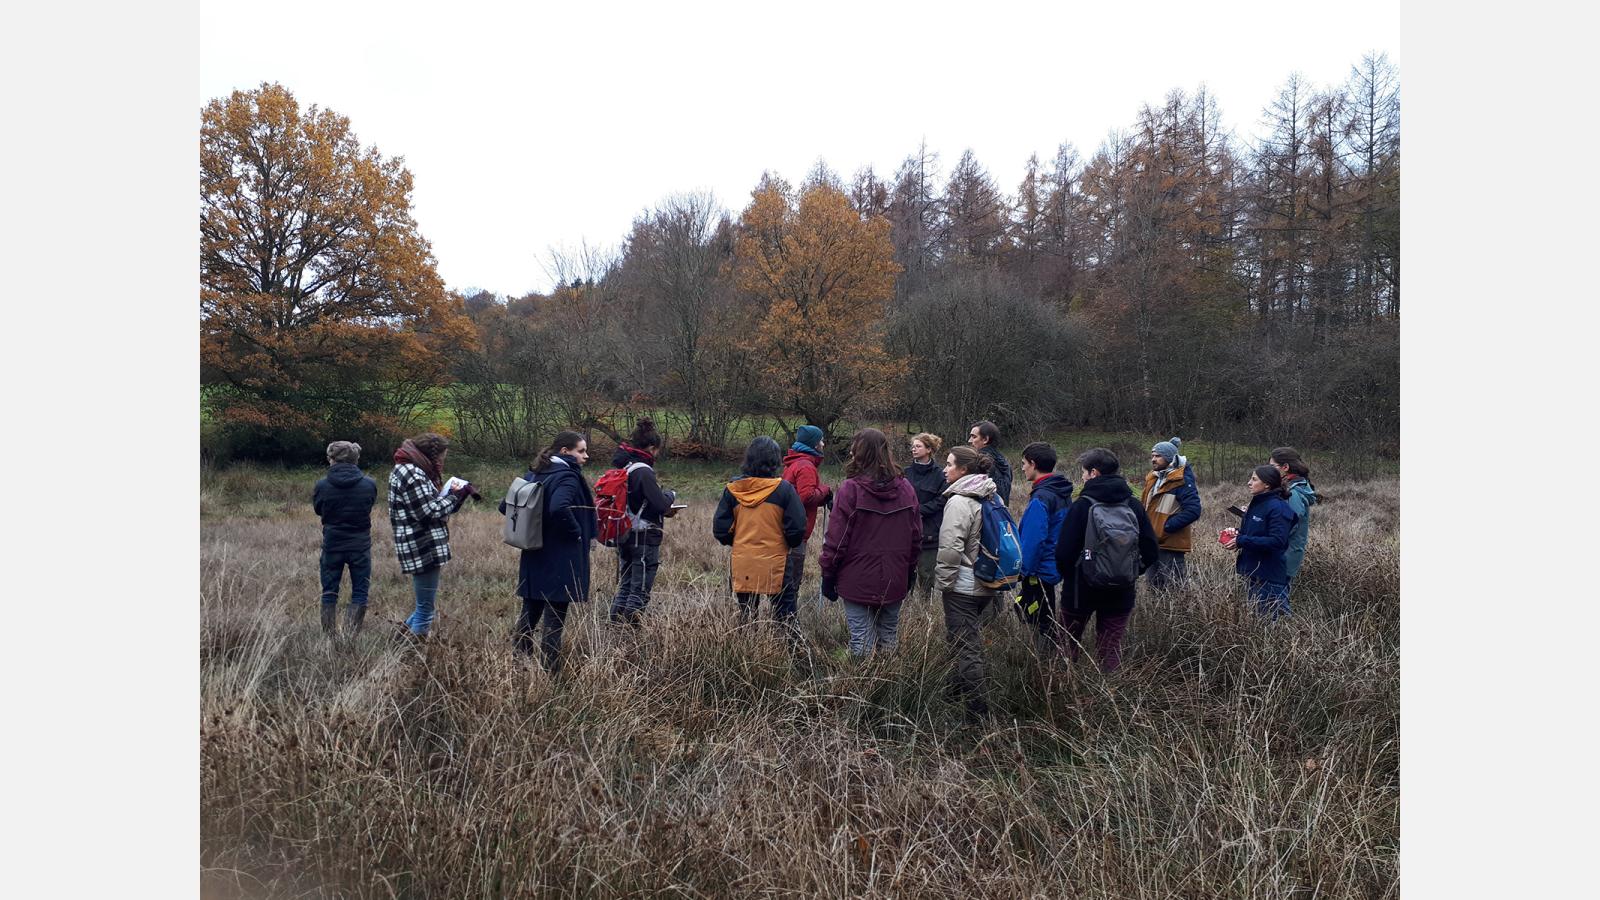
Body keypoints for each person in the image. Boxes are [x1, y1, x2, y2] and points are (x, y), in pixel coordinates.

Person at [1053, 448, 1159, 673]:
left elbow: (1063, 552)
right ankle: (1113, 696)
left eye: (1083, 472)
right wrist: (1131, 571)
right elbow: (1151, 550)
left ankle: (1064, 692)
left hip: (1080, 590)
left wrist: (1072, 576)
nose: (1082, 477)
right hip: (1121, 589)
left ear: (1094, 473)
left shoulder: (1082, 505)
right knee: (1110, 648)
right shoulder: (1133, 505)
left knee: (1067, 645)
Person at [819, 428, 922, 657]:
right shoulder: (906, 488)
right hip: (894, 575)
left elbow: (836, 538)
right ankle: (891, 688)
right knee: (888, 637)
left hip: (857, 577)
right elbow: (916, 537)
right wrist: (909, 570)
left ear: (858, 453)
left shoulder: (851, 489)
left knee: (861, 641)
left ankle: (863, 690)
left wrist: (828, 573)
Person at [500, 431, 597, 673]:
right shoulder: (567, 476)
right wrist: (576, 533)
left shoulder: (537, 472)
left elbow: (505, 506)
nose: (586, 456)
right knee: (555, 617)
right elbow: (559, 507)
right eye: (581, 451)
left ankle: (519, 665)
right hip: (561, 556)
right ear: (565, 451)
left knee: (530, 612)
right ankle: (550, 673)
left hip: (534, 552)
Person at [389, 432, 478, 638]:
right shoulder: (412, 473)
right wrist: (454, 496)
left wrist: (449, 497)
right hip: (422, 545)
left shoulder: (407, 469)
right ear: (433, 455)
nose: (442, 461)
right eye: (442, 457)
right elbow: (427, 512)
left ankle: (399, 642)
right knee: (425, 609)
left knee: (423, 605)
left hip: (418, 542)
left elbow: (425, 505)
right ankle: (415, 658)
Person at [712, 437, 807, 626]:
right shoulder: (784, 490)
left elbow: (720, 530)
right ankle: (796, 654)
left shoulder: (732, 490)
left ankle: (746, 653)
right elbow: (797, 529)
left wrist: (740, 542)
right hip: (776, 564)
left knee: (747, 621)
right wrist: (785, 543)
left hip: (743, 562)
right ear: (775, 461)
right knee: (787, 621)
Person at [936, 445, 1001, 715]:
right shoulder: (991, 496)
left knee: (966, 646)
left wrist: (944, 583)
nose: (945, 469)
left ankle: (978, 710)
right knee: (962, 639)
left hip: (963, 586)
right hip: (987, 582)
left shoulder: (960, 500)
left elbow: (951, 547)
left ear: (964, 470)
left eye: (950, 464)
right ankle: (953, 692)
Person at [607, 419, 679, 625]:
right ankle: (631, 633)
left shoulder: (626, 467)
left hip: (626, 534)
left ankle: (615, 627)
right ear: (652, 448)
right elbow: (660, 504)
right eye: (657, 450)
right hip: (644, 537)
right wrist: (670, 495)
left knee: (626, 585)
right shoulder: (643, 471)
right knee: (640, 590)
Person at [312, 440, 377, 637]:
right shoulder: (369, 484)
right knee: (360, 591)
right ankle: (350, 635)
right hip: (360, 545)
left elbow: (318, 509)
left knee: (329, 591)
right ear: (355, 459)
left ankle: (329, 637)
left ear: (332, 460)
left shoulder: (322, 485)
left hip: (332, 544)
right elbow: (369, 505)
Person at [1016, 441, 1073, 653]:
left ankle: (1043, 667)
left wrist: (1024, 571)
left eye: (1023, 463)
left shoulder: (1041, 497)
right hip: (1054, 567)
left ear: (1033, 463)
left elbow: (1034, 540)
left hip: (1038, 572)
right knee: (1045, 618)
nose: (1022, 468)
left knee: (1040, 624)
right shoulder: (1062, 492)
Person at [1226, 465, 1298, 620]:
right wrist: (1237, 534)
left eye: (1254, 479)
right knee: (1258, 622)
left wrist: (1242, 540)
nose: (1249, 483)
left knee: (1278, 625)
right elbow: (1256, 533)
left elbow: (1277, 541)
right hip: (1253, 573)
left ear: (1267, 484)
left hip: (1269, 576)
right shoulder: (1257, 504)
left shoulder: (1278, 508)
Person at [779, 424, 833, 618]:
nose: (823, 443)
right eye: (820, 440)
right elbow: (806, 497)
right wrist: (825, 491)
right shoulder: (805, 465)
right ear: (814, 444)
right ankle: (788, 623)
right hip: (796, 532)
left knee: (786, 579)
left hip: (787, 529)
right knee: (791, 582)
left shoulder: (794, 463)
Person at [1140, 437, 1203, 591]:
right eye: (1152, 455)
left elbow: (1193, 510)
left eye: (1157, 456)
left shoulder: (1181, 480)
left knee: (1174, 591)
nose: (1153, 459)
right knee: (1153, 590)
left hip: (1170, 545)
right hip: (1153, 543)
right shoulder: (1154, 478)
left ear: (1169, 458)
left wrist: (1166, 527)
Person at [903, 432, 947, 603]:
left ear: (929, 449)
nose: (913, 449)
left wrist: (919, 510)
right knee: (905, 571)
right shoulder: (905, 473)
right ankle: (905, 606)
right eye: (912, 446)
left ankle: (924, 609)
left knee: (926, 573)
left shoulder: (940, 474)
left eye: (918, 446)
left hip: (930, 531)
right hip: (905, 530)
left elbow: (942, 500)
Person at [1269, 446, 1319, 593]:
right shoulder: (1286, 488)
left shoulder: (1293, 493)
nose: (1269, 471)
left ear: (1285, 467)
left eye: (1272, 467)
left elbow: (1290, 524)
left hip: (1284, 556)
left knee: (1276, 603)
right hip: (1282, 554)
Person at [967, 420, 1013, 505]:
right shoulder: (1004, 462)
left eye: (974, 437)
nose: (970, 441)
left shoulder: (980, 462)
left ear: (985, 439)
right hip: (1000, 512)